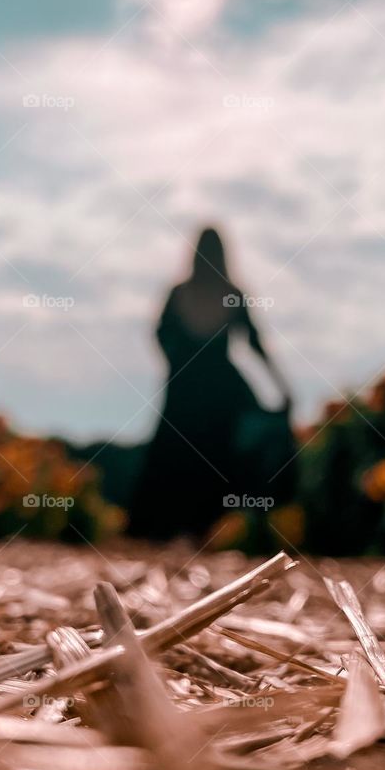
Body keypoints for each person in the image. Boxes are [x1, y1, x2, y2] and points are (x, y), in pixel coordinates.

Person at [128, 226, 295, 541]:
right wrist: (281, 385)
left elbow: (160, 332)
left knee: (174, 451)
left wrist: (175, 361)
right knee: (217, 454)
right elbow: (255, 343)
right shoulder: (231, 292)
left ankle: (167, 531)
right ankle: (199, 529)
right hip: (221, 386)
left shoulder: (179, 292)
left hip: (184, 384)